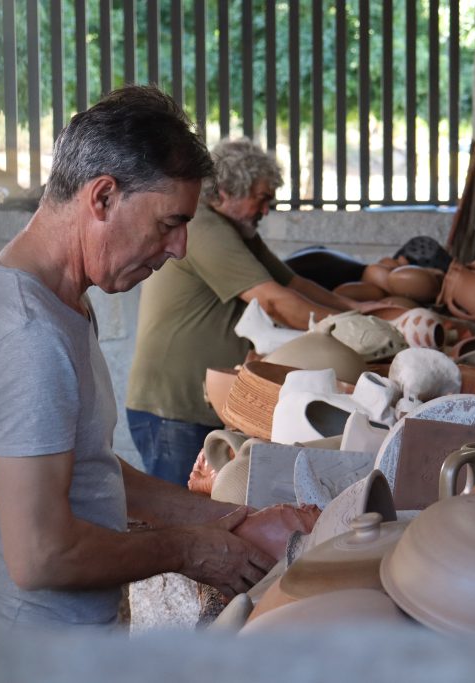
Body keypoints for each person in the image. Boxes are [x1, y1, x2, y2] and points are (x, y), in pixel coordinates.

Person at [0, 86, 276, 629]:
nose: (179, 248)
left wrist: (223, 520)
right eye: (169, 223)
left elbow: (89, 469)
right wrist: (186, 550)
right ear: (103, 197)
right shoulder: (27, 335)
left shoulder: (64, 301)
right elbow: (43, 555)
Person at [125, 138, 363, 484]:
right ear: (226, 192)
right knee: (185, 515)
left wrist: (359, 311)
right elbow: (273, 301)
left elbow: (294, 285)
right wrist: (354, 333)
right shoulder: (204, 227)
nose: (266, 210)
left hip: (202, 407)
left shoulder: (237, 231)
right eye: (261, 198)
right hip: (173, 413)